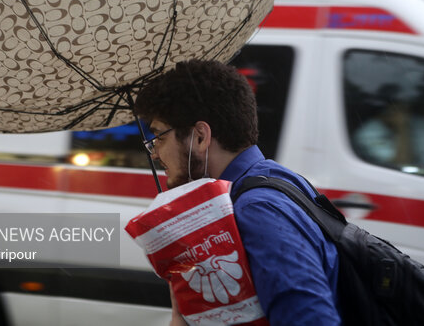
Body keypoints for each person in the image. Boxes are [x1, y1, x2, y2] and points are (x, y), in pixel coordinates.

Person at [134, 59, 341, 326]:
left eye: (159, 137)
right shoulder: (277, 178)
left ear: (200, 136)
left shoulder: (254, 210)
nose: (155, 154)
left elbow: (311, 319)